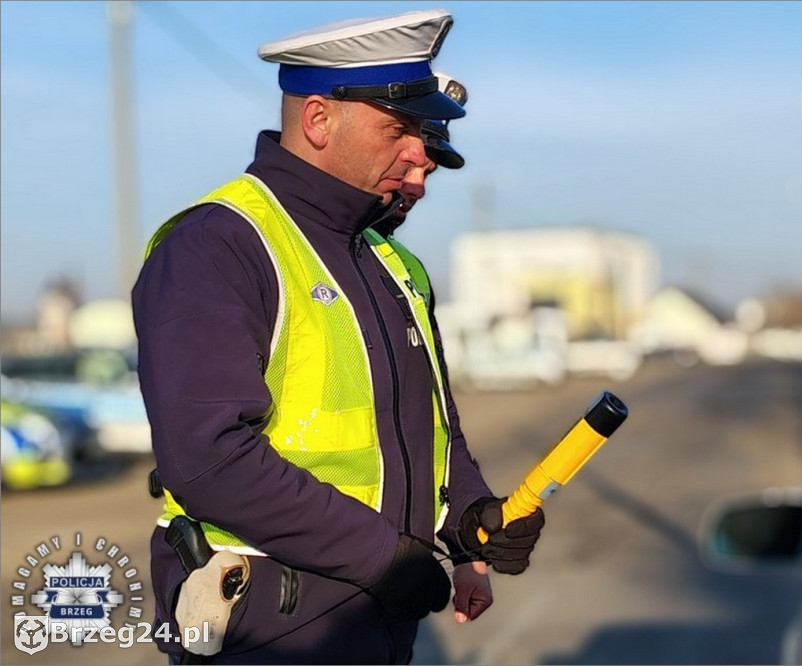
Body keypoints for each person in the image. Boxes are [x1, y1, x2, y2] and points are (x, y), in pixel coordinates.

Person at [132, 10, 545, 665]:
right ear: (319, 120)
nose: (421, 154)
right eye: (400, 129)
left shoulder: (384, 261)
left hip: (371, 625)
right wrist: (386, 559)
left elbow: (430, 430)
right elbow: (209, 457)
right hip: (266, 632)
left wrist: (469, 520)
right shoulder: (219, 244)